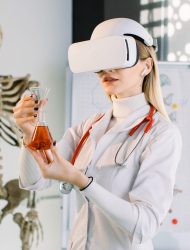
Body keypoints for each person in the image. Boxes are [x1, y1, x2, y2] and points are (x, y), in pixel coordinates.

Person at [13, 18, 182, 250]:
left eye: (118, 58)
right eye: (101, 59)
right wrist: (29, 134)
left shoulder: (161, 134)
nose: (107, 69)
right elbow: (33, 181)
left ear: (146, 66)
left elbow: (145, 224)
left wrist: (81, 181)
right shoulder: (88, 128)